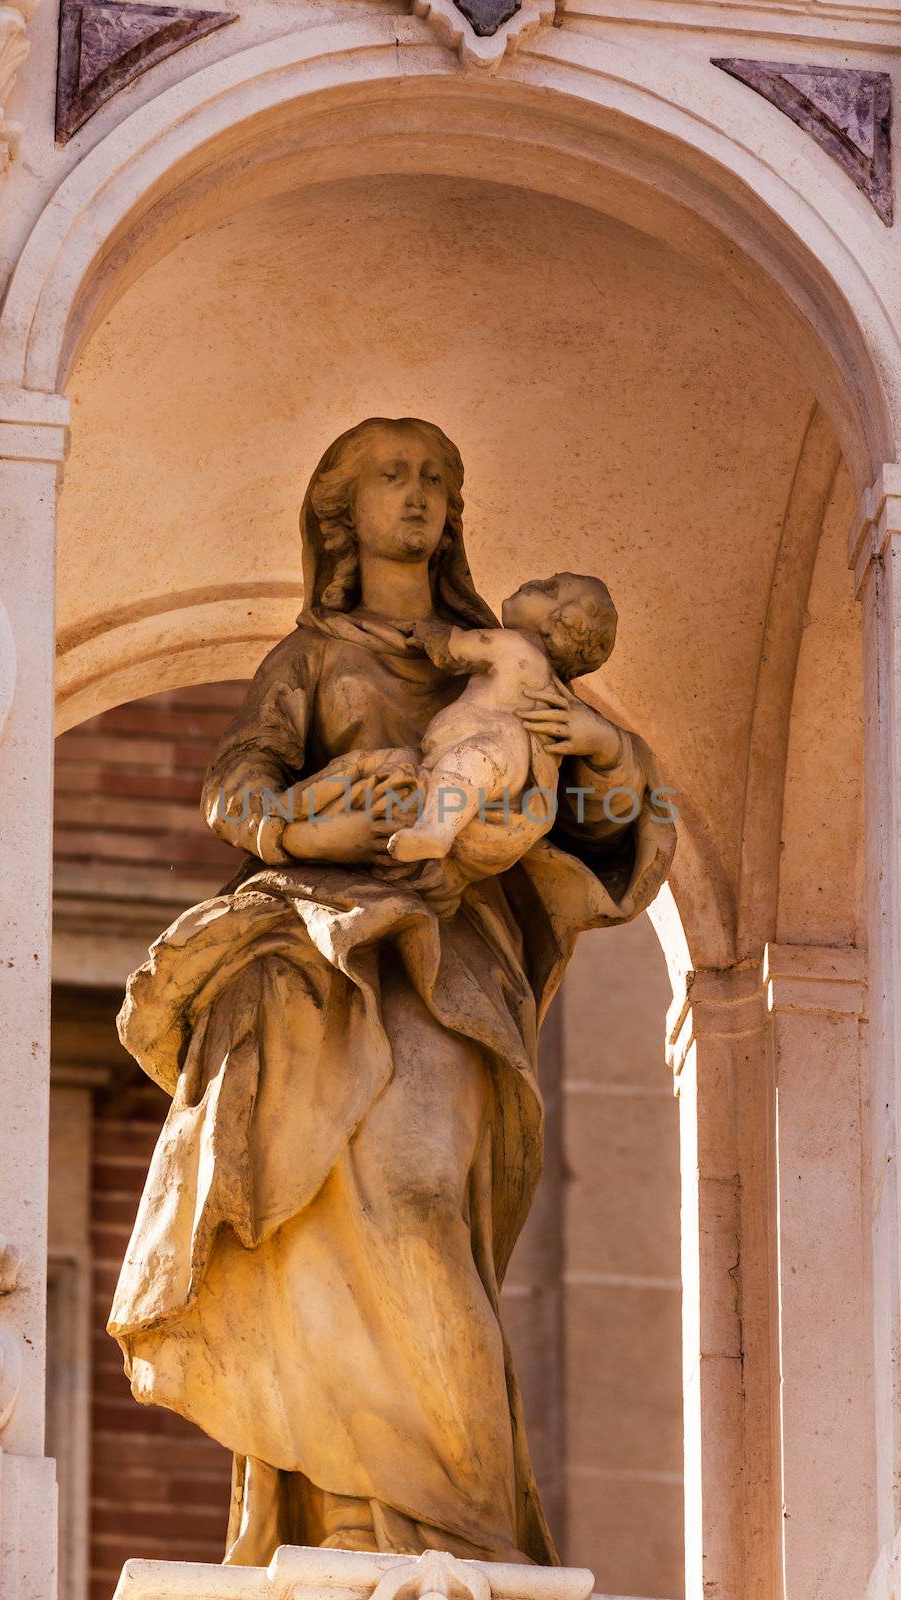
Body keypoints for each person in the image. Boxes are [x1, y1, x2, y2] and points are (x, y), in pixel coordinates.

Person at [109, 416, 675, 1570]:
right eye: (391, 477)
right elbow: (238, 787)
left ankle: (465, 1519)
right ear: (342, 510)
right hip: (318, 958)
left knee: (423, 1205)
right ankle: (350, 1514)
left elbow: (603, 832)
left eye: (435, 480)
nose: (416, 497)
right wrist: (311, 812)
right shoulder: (313, 659)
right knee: (319, 1225)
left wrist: (607, 756)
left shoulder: (504, 654)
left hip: (450, 966)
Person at [387, 572, 618, 864]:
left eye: (548, 589)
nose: (532, 582)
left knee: (464, 769)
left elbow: (453, 650)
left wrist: (425, 634)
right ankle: (436, 830)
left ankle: (435, 832)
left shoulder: (509, 643)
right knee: (464, 773)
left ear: (557, 625)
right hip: (513, 767)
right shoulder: (556, 688)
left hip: (488, 744)